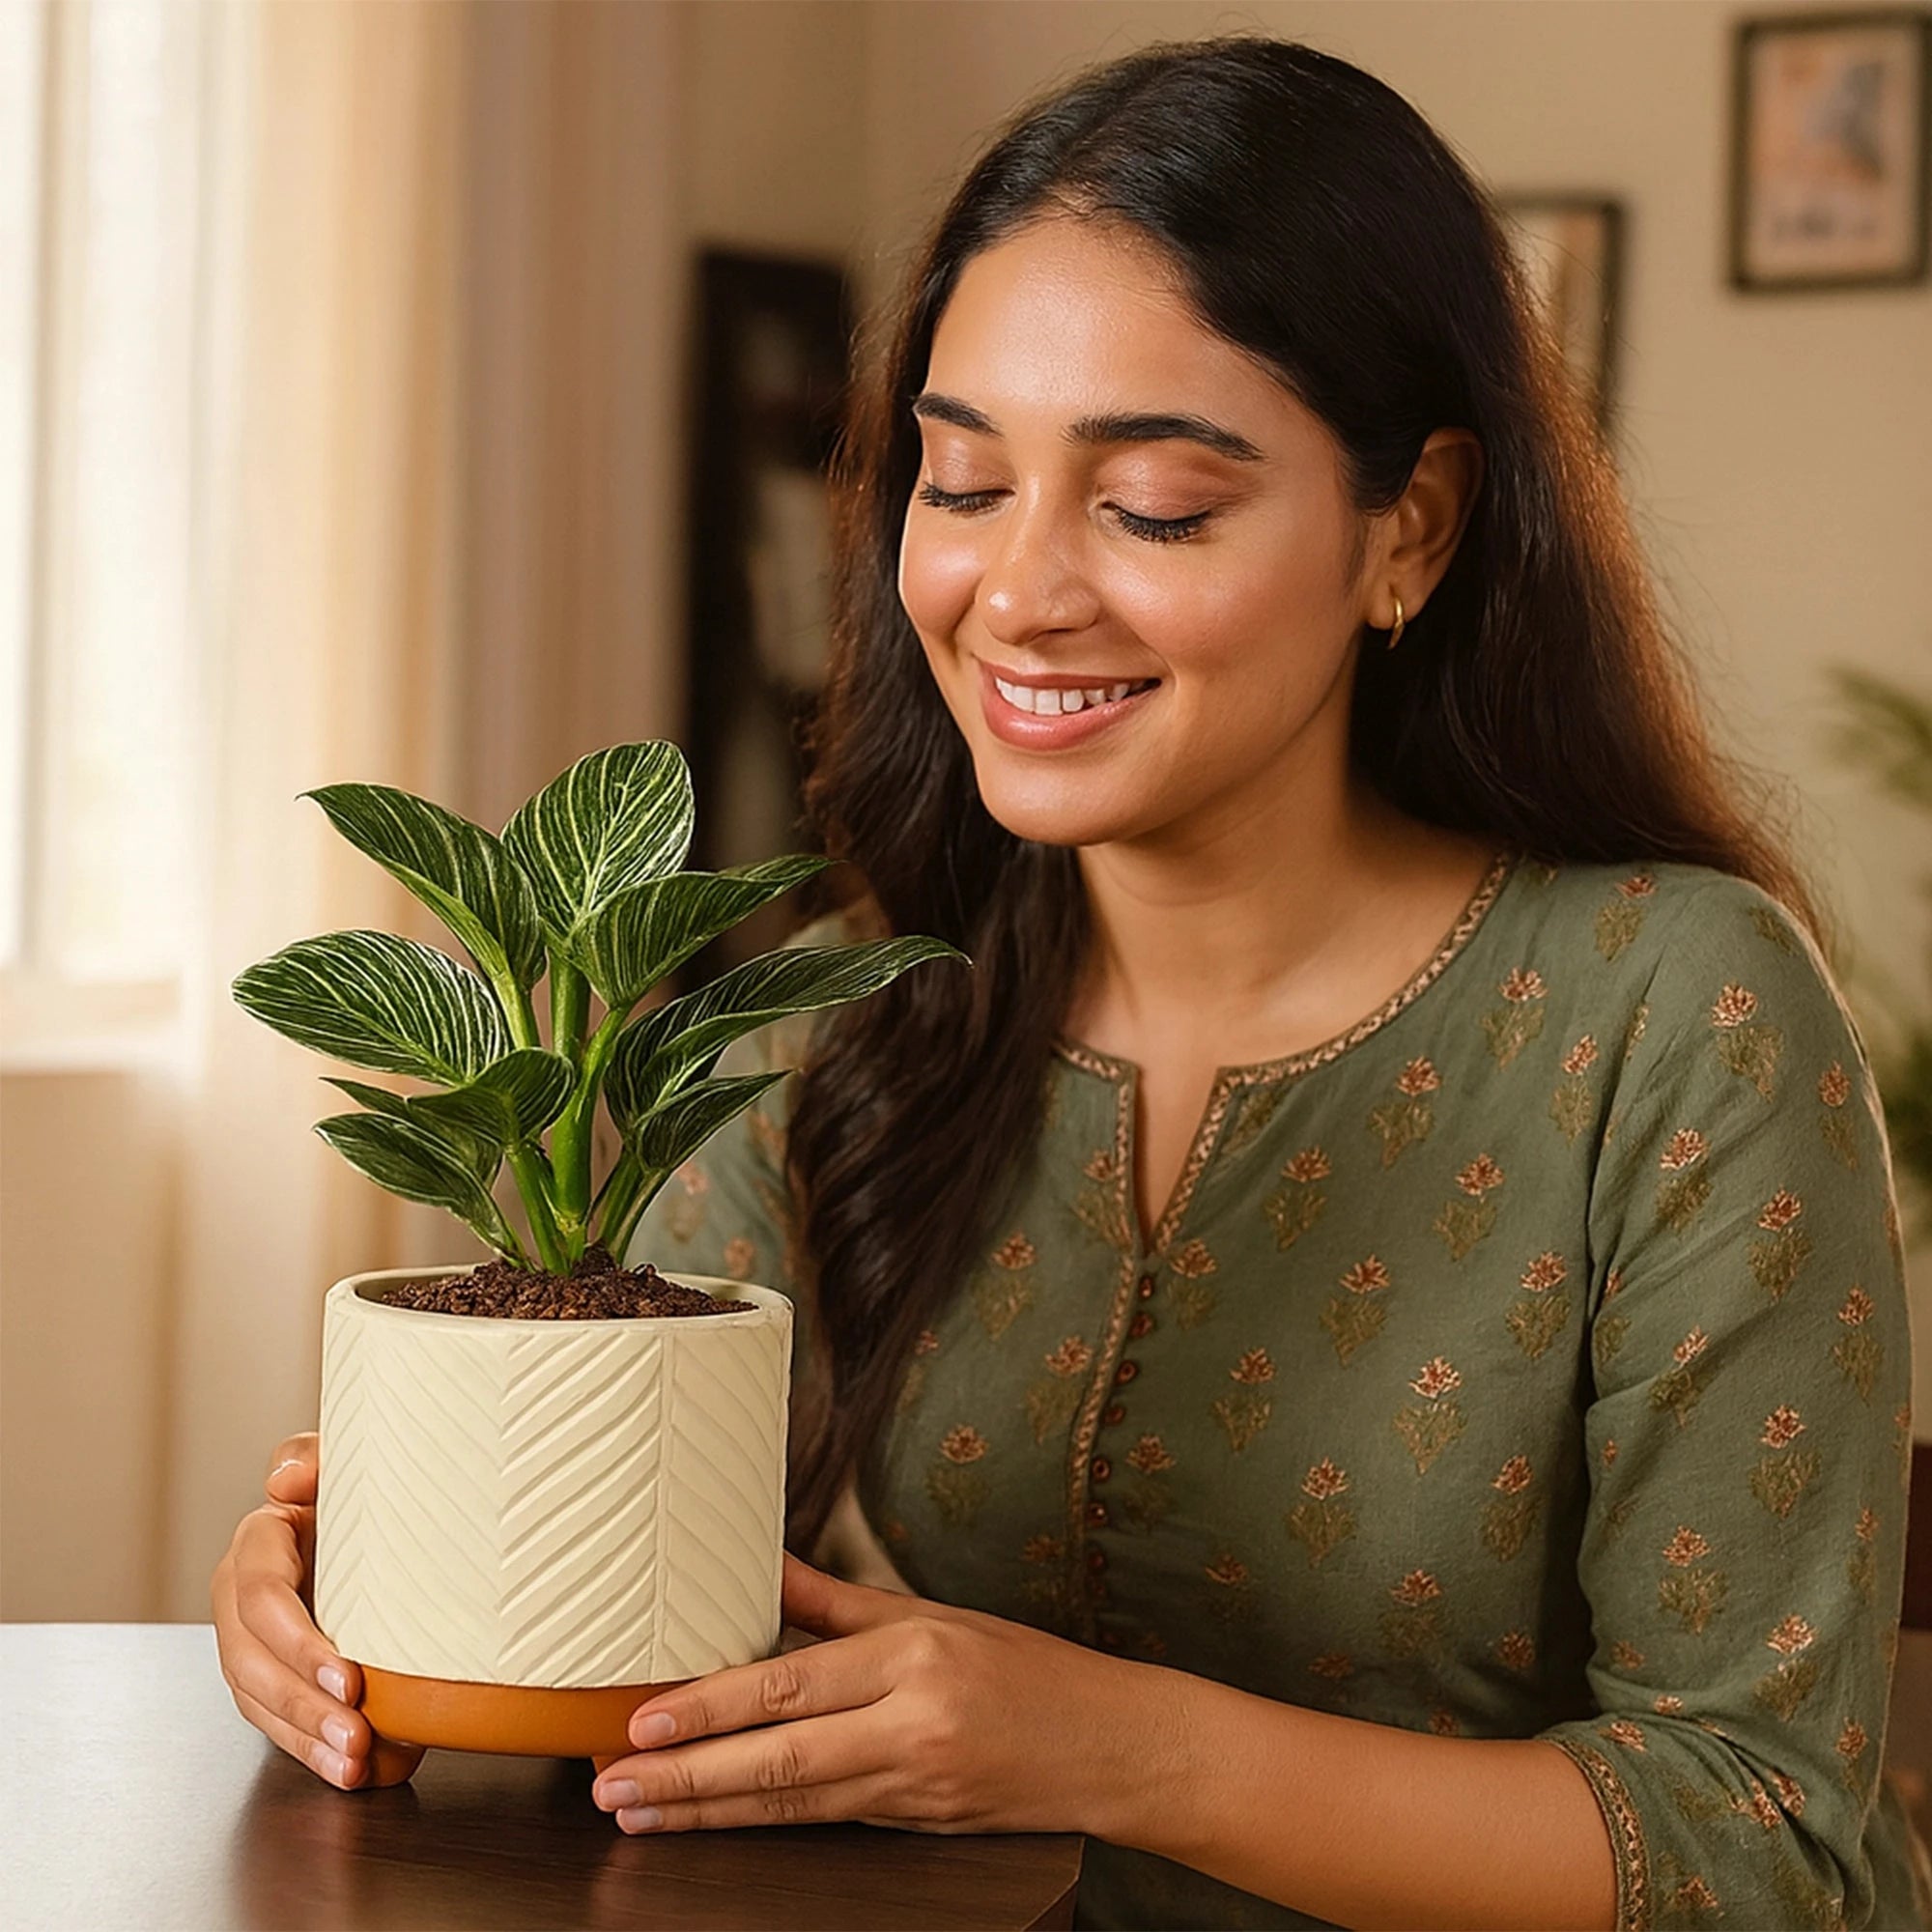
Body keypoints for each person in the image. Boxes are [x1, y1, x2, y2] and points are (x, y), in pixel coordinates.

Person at [212, 37, 1926, 1931]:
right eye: (961, 482)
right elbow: (627, 1634)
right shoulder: (829, 1029)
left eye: (1156, 505)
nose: (1015, 592)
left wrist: (1109, 1749)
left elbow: (1762, 1839)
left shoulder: (1679, 1012)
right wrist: (361, 1606)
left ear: (1411, 529)